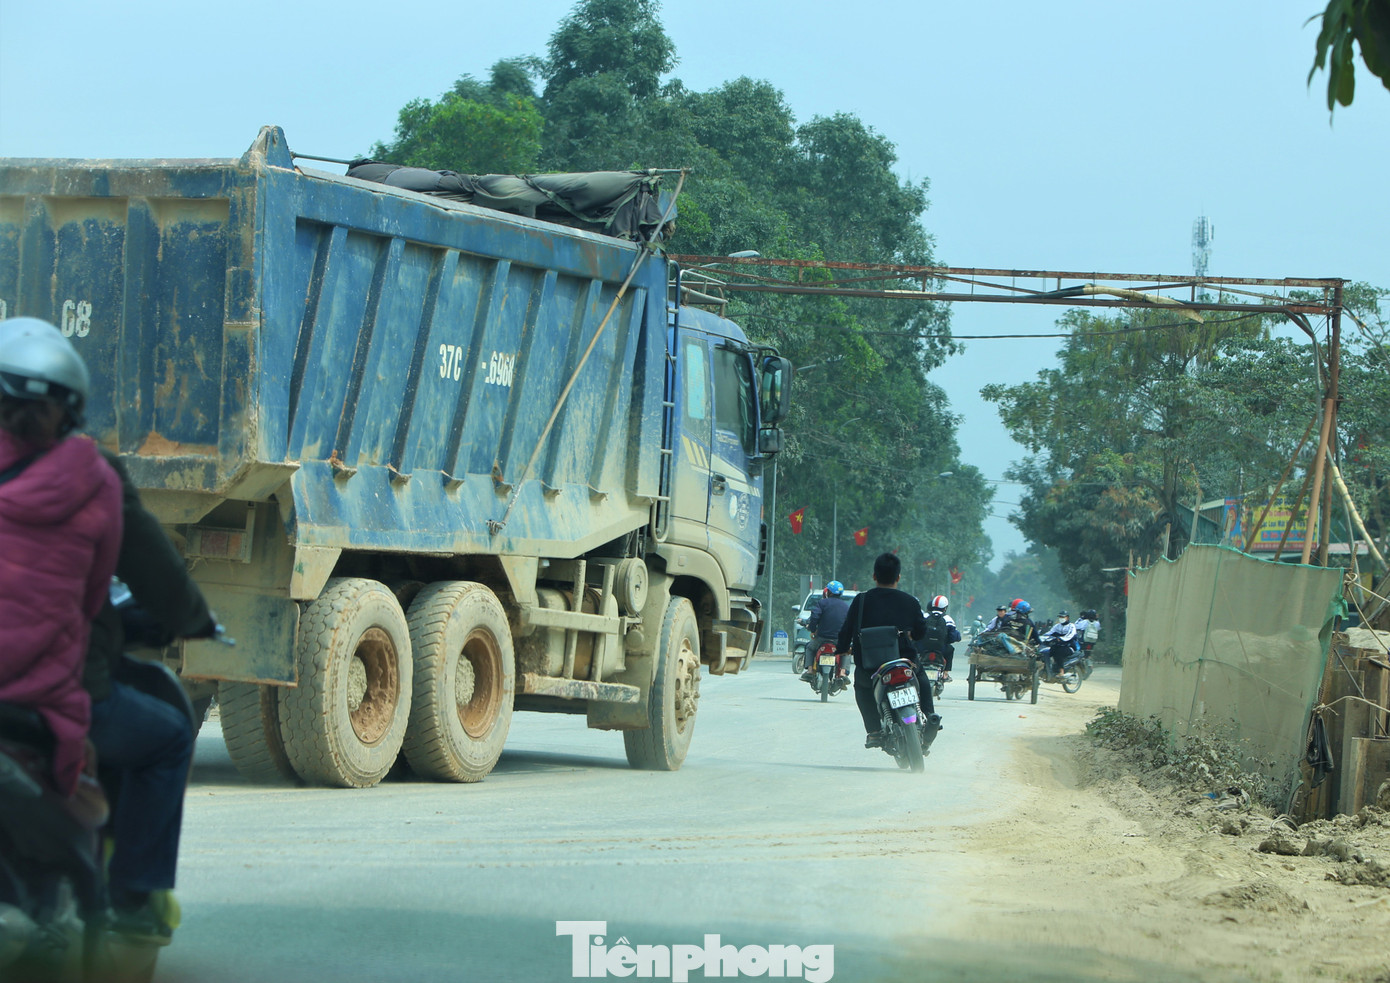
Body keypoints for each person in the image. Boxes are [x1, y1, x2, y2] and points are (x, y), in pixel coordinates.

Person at [85, 447, 217, 944]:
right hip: (65, 695)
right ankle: (133, 897)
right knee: (169, 738)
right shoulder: (92, 476)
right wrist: (189, 617)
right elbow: (162, 581)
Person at [0, 317, 123, 798]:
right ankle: (135, 877)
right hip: (47, 708)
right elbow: (93, 596)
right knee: (165, 738)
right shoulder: (97, 480)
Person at [836, 553, 933, 749]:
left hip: (870, 665)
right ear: (898, 577)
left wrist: (842, 649)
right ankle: (930, 716)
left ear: (874, 576)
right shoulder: (910, 601)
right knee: (921, 677)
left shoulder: (861, 601)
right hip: (905, 659)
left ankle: (873, 731)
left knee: (862, 688)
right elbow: (921, 631)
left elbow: (846, 630)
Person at [799, 581, 850, 682]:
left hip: (822, 638)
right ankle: (843, 672)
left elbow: (814, 617)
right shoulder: (846, 606)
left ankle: (809, 670)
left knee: (809, 647)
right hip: (838, 640)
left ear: (828, 592)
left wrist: (813, 630)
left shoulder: (822, 603)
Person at [917, 594, 962, 682]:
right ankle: (945, 674)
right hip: (941, 649)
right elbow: (952, 637)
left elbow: (917, 631)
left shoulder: (924, 616)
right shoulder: (948, 619)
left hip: (923, 648)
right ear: (945, 607)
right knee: (950, 649)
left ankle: (912, 670)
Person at [1041, 610, 1078, 676]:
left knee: (1058, 653)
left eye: (1063, 617)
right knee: (1046, 652)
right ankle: (1047, 668)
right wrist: (1041, 638)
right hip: (1058, 646)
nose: (1061, 618)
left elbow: (1069, 636)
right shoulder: (1057, 626)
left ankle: (1061, 671)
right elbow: (1049, 633)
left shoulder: (1071, 626)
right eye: (1060, 617)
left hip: (1069, 647)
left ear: (1067, 617)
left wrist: (1059, 639)